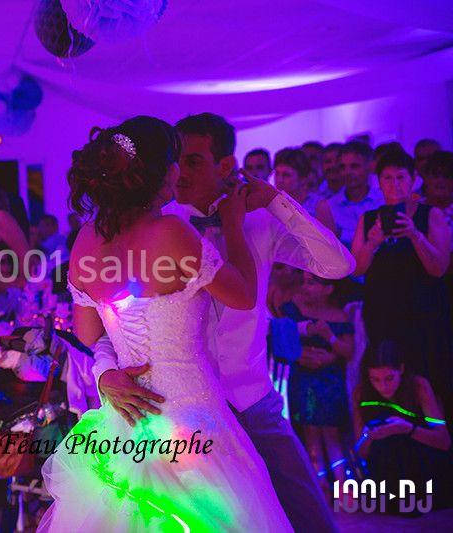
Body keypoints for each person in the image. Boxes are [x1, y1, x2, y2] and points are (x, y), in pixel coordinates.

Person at [92, 113, 354, 532]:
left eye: (194, 161)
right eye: (179, 160)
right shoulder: (155, 228)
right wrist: (104, 373)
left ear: (226, 165)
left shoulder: (260, 222)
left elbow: (338, 266)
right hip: (179, 416)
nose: (180, 172)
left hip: (250, 401)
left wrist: (275, 200)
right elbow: (118, 319)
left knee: (311, 521)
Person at [39, 115, 292, 531]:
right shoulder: (170, 231)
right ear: (164, 170)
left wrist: (106, 375)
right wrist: (232, 224)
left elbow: (88, 334)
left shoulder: (86, 238)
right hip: (193, 421)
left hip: (125, 422)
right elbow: (245, 294)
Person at [351, 148, 452, 417]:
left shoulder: (430, 215)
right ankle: (393, 435)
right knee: (388, 383)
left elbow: (439, 268)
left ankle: (435, 438)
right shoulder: (369, 219)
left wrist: (415, 235)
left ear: (413, 180)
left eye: (400, 177)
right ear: (379, 182)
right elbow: (356, 268)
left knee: (431, 382)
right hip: (383, 317)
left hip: (424, 316)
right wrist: (372, 242)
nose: (394, 184)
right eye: (387, 178)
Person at [353, 340, 452, 513]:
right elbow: (360, 451)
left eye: (389, 378)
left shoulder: (418, 387)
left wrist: (407, 429)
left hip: (421, 467)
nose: (383, 387)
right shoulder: (361, 393)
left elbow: (443, 441)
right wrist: (369, 436)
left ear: (401, 369)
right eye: (375, 379)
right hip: (384, 473)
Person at [280, 273, 354, 492]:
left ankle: (343, 489)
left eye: (311, 283)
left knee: (332, 435)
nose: (305, 287)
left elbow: (348, 351)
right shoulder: (292, 310)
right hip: (303, 380)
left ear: (328, 289)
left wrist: (329, 337)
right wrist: (300, 355)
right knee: (310, 434)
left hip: (330, 383)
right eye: (303, 282)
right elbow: (281, 341)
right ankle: (320, 489)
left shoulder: (339, 315)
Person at [316, 141, 384, 248]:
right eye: (342, 167)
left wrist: (341, 234)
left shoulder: (383, 200)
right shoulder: (328, 207)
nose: (347, 172)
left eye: (354, 166)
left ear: (370, 167)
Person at [274, 147, 321, 216]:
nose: (279, 180)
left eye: (286, 175)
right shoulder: (271, 204)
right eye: (277, 173)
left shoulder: (317, 206)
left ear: (303, 178)